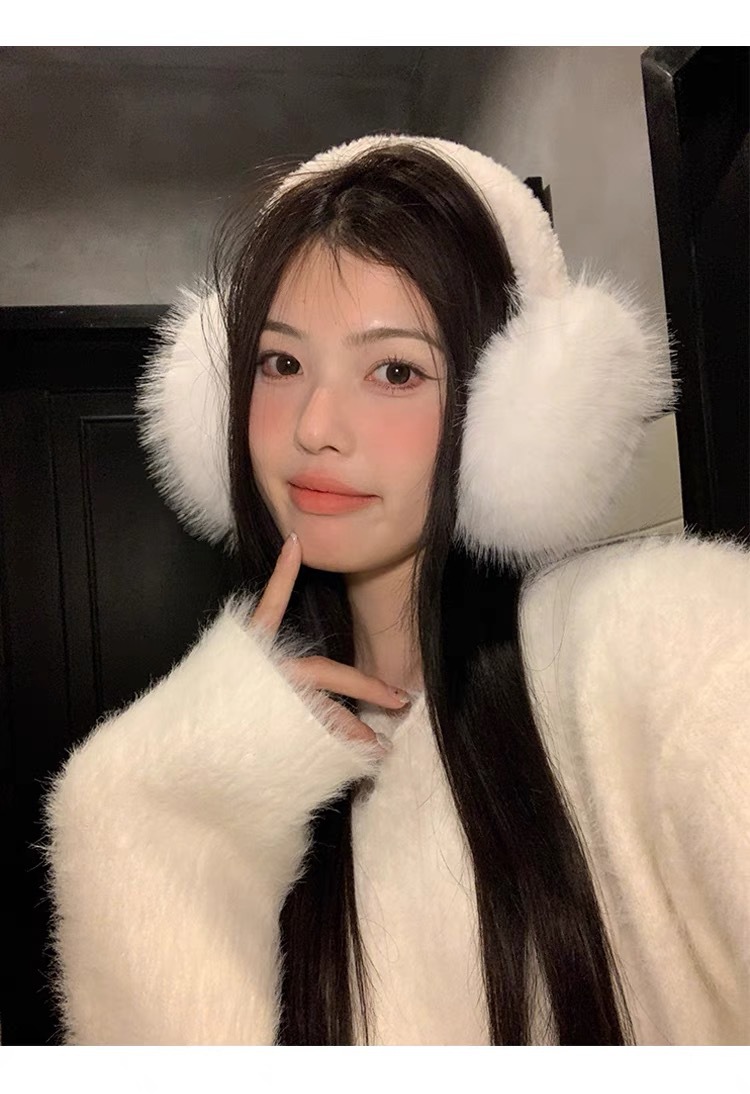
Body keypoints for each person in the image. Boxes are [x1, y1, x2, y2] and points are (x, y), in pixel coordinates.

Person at [42, 135, 749, 1046]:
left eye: (396, 371)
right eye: (281, 364)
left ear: (509, 411)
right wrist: (149, 811)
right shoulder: (218, 765)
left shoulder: (681, 649)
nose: (315, 427)